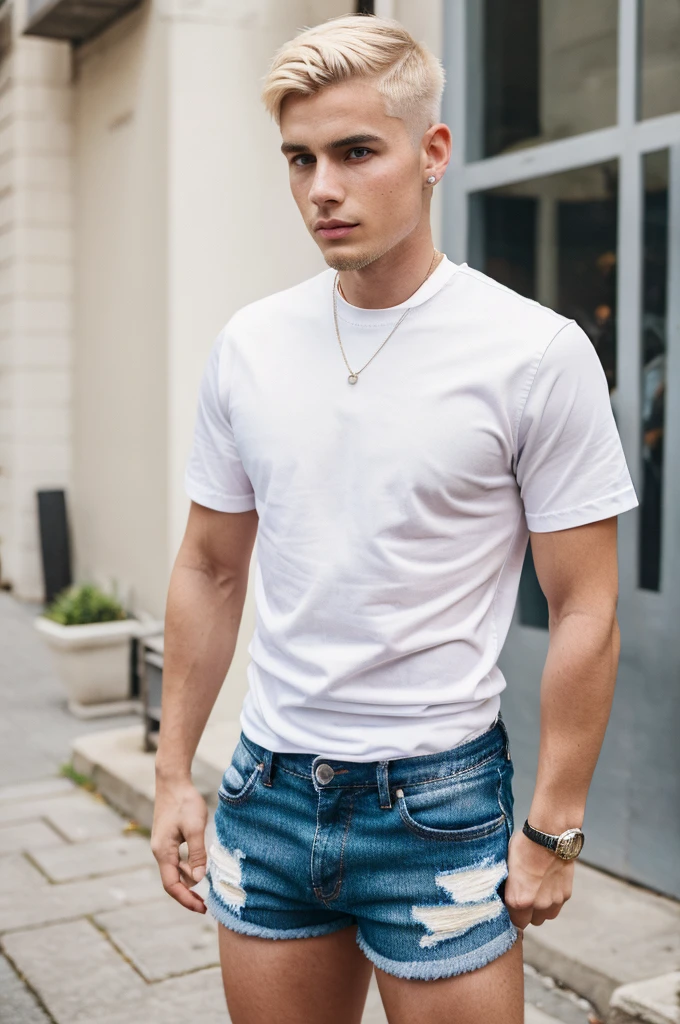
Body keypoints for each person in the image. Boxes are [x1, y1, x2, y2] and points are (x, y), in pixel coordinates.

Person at [150, 14, 638, 1024]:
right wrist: (171, 774)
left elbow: (584, 604)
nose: (320, 188)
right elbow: (209, 567)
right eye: (299, 159)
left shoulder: (531, 355)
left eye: (354, 152)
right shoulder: (249, 345)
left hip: (437, 802)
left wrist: (552, 825)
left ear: (432, 153)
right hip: (267, 790)